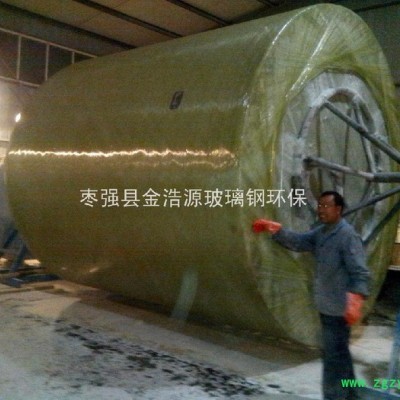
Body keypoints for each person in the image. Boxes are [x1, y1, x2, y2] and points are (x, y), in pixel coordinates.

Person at [252, 190, 370, 400]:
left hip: (339, 309)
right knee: (340, 355)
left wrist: (356, 299)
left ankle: (334, 396)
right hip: (326, 305)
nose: (321, 210)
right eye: (320, 206)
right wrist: (276, 230)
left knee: (332, 358)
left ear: (338, 209)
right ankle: (352, 395)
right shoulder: (322, 232)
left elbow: (360, 271)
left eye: (326, 206)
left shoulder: (347, 236)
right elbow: (299, 242)